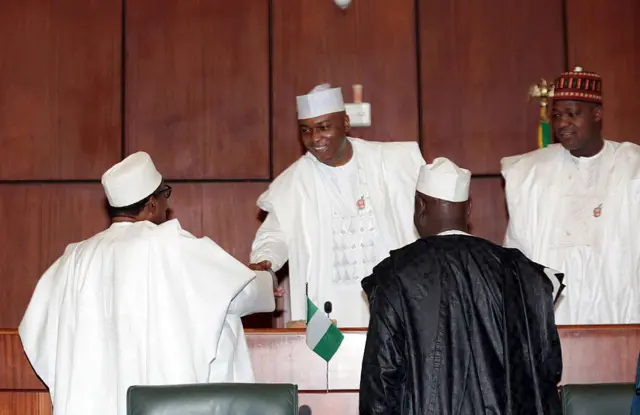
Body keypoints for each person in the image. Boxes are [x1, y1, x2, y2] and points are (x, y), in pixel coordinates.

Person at [19, 152, 277, 415]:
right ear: (152, 204)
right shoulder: (169, 245)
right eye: (165, 194)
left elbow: (35, 330)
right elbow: (239, 293)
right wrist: (265, 278)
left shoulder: (75, 258)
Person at [359, 158, 565, 415]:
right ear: (468, 208)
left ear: (420, 205)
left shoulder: (395, 275)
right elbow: (547, 370)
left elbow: (380, 385)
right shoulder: (518, 271)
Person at [249, 84, 426, 328]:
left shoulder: (389, 162)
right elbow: (274, 236)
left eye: (324, 127)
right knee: (329, 365)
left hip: (392, 302)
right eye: (306, 130)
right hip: (327, 308)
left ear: (345, 122)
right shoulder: (295, 181)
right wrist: (265, 262)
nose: (315, 138)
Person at [501, 66, 640, 324]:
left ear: (597, 114)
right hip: (554, 326)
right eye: (556, 115)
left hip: (622, 319)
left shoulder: (632, 169)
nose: (562, 123)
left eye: (572, 114)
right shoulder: (529, 175)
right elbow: (516, 257)